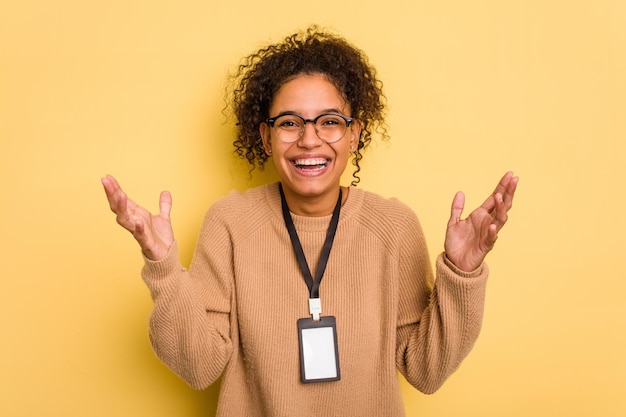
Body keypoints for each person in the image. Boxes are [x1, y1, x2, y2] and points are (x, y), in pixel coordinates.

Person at [102, 26, 518, 417]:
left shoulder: (393, 226)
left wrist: (463, 272)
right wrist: (164, 270)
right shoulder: (229, 223)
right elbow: (200, 367)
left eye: (330, 122)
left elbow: (425, 372)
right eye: (289, 123)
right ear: (265, 138)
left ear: (355, 134)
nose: (309, 138)